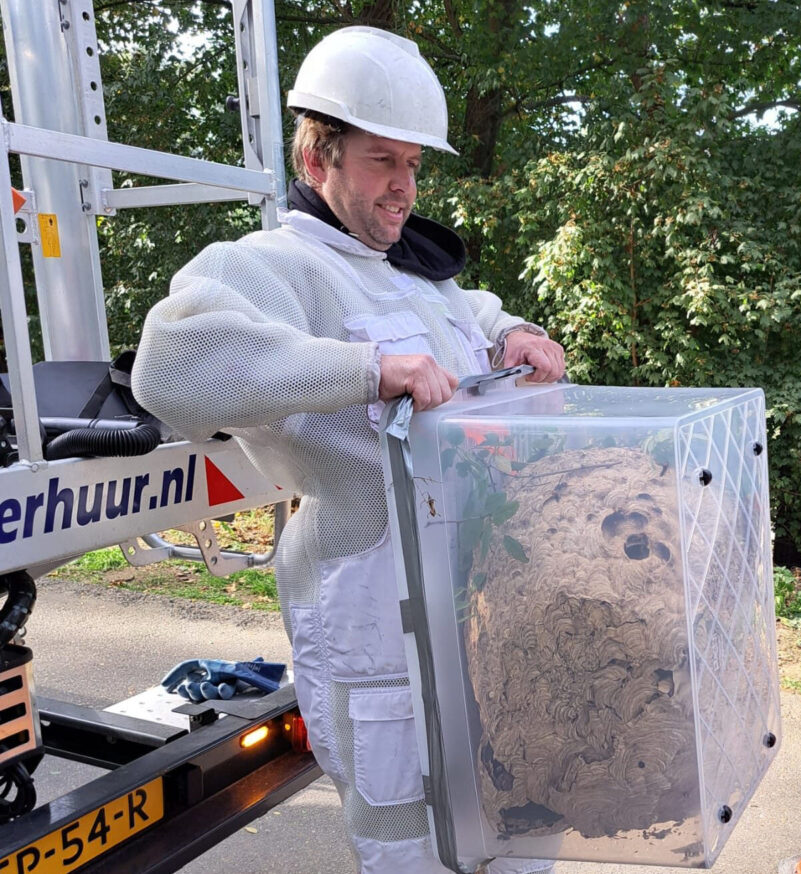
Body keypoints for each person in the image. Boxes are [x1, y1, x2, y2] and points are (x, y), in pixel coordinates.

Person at [132, 25, 563, 874]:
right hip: (377, 636)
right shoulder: (272, 264)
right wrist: (368, 369)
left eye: (413, 164)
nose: (404, 188)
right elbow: (170, 365)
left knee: (518, 828)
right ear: (317, 156)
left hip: (479, 615)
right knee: (410, 850)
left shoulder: (408, 271)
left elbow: (462, 311)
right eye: (380, 161)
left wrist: (512, 328)